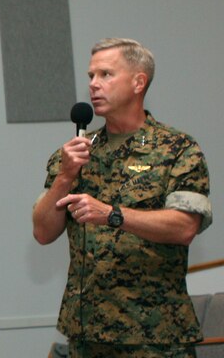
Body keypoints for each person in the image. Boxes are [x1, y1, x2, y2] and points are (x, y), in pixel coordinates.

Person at [32, 38, 212, 357]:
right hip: (86, 334)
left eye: (106, 74)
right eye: (91, 76)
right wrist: (64, 177)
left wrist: (112, 214)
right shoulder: (74, 154)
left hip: (154, 335)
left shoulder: (177, 149)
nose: (94, 85)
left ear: (138, 82)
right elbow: (43, 232)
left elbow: (184, 227)